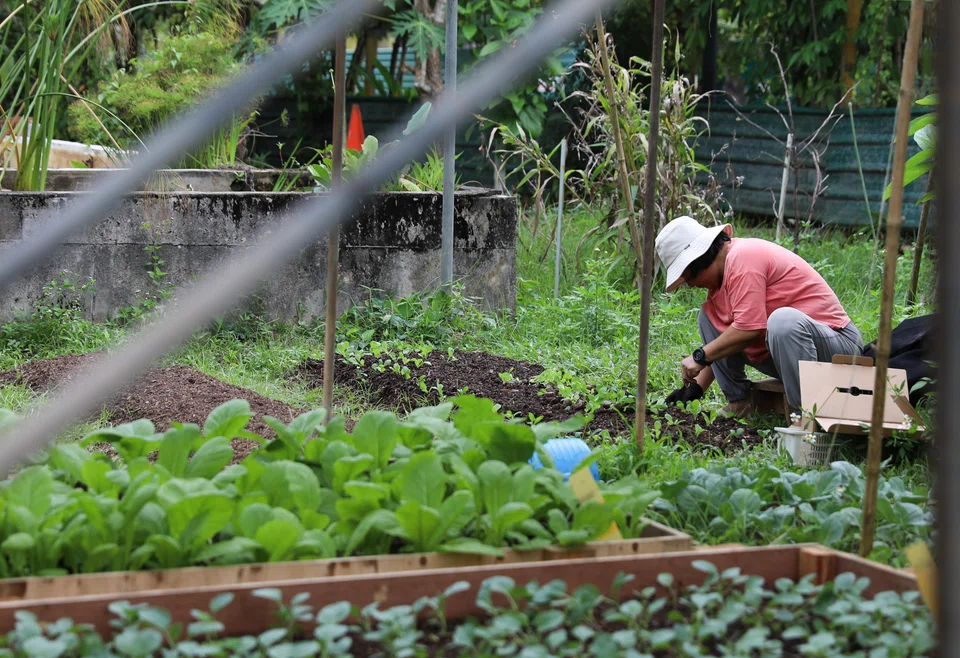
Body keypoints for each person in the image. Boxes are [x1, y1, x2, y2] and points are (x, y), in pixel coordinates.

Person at [654, 216, 863, 422]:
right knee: (708, 318)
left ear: (700, 260)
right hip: (790, 355)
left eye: (689, 277)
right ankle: (740, 402)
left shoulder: (743, 257)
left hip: (838, 348)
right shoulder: (724, 278)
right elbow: (724, 341)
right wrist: (695, 388)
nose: (690, 285)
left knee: (783, 321)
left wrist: (699, 356)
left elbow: (748, 329)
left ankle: (804, 419)